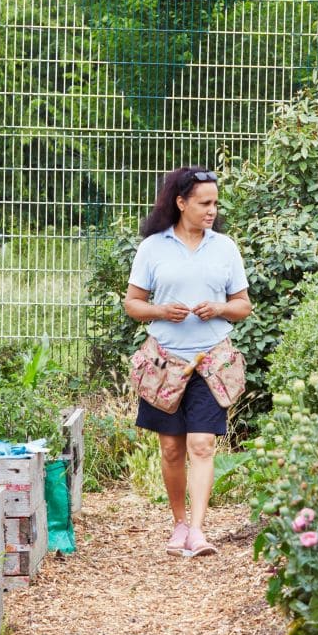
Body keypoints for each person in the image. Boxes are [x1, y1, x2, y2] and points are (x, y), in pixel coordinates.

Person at [123, 167, 251, 558]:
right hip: (164, 365)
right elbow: (133, 304)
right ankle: (178, 523)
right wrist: (161, 311)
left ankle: (197, 530)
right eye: (204, 203)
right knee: (171, 449)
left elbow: (243, 305)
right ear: (181, 203)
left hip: (210, 363)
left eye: (215, 203)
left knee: (202, 444)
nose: (212, 210)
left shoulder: (225, 248)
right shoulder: (152, 248)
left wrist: (220, 308)